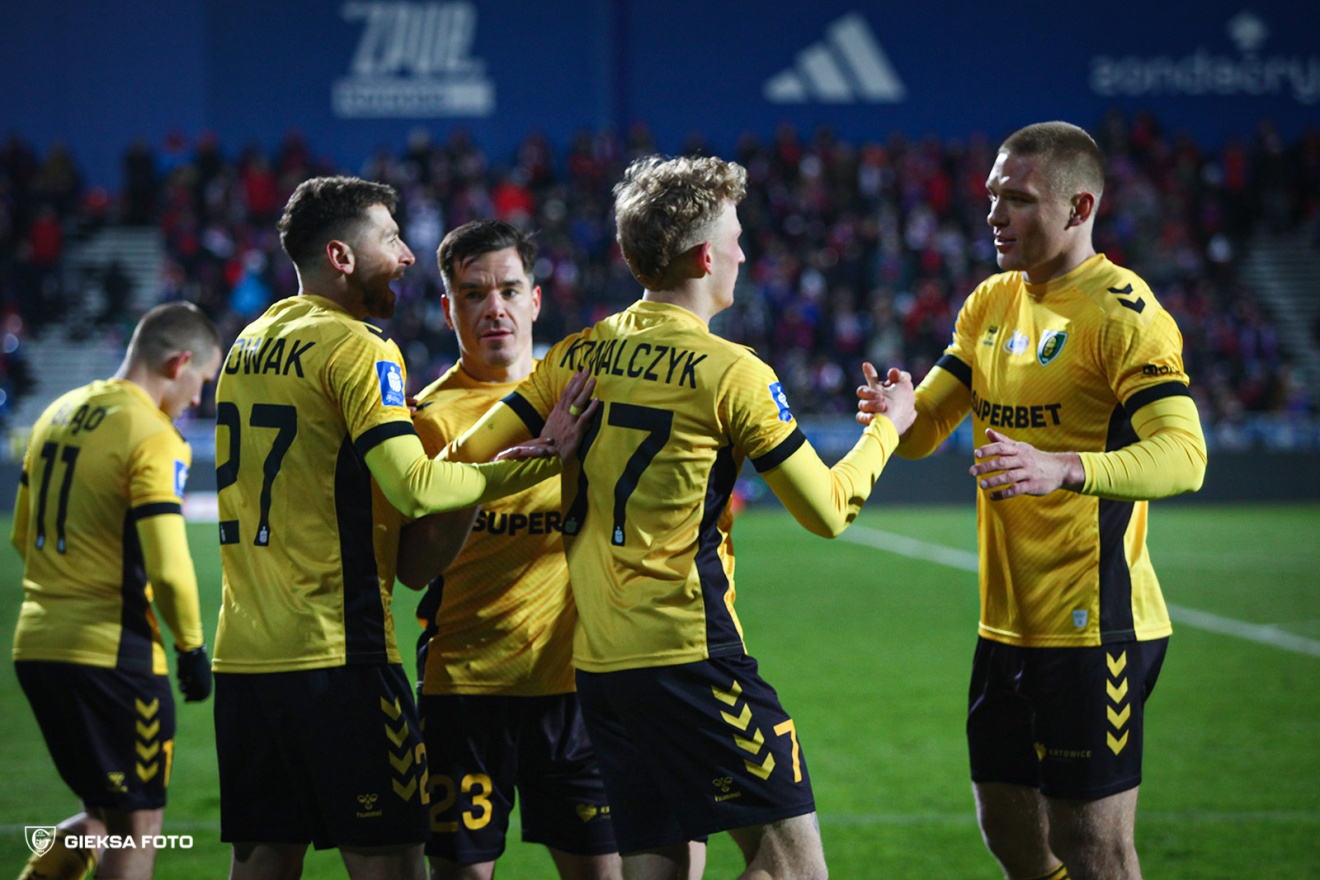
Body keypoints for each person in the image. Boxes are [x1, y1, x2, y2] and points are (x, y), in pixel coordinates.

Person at [439, 155, 916, 880]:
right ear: (703, 256)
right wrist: (888, 428)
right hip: (690, 656)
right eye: (736, 239)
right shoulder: (732, 372)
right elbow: (827, 510)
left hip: (601, 671)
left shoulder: (577, 354)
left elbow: (459, 462)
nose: (743, 254)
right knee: (795, 870)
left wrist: (536, 460)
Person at [211, 177, 595, 880]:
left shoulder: (247, 344)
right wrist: (531, 465)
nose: (406, 255)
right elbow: (413, 488)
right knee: (390, 862)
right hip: (339, 649)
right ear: (342, 256)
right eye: (391, 238)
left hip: (244, 655)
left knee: (264, 858)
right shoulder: (358, 347)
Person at [858, 121, 1208, 880]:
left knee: (1094, 847)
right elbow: (927, 429)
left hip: (1095, 626)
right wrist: (898, 414)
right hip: (1007, 624)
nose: (994, 214)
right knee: (1011, 834)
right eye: (992, 196)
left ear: (1080, 208)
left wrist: (1066, 469)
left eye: (1016, 199)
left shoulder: (1124, 314)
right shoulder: (990, 301)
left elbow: (1186, 457)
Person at [401, 219, 622, 880]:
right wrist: (494, 473)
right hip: (465, 689)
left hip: (575, 689)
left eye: (508, 290)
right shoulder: (426, 419)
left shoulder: (587, 398)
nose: (493, 307)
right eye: (473, 294)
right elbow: (414, 567)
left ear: (535, 300)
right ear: (449, 309)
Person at [11, 301, 222, 880]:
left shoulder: (57, 412)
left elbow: (23, 535)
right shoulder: (152, 434)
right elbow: (168, 565)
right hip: (112, 654)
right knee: (139, 824)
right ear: (179, 363)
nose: (198, 400)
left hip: (37, 647)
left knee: (102, 814)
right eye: (202, 381)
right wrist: (191, 648)